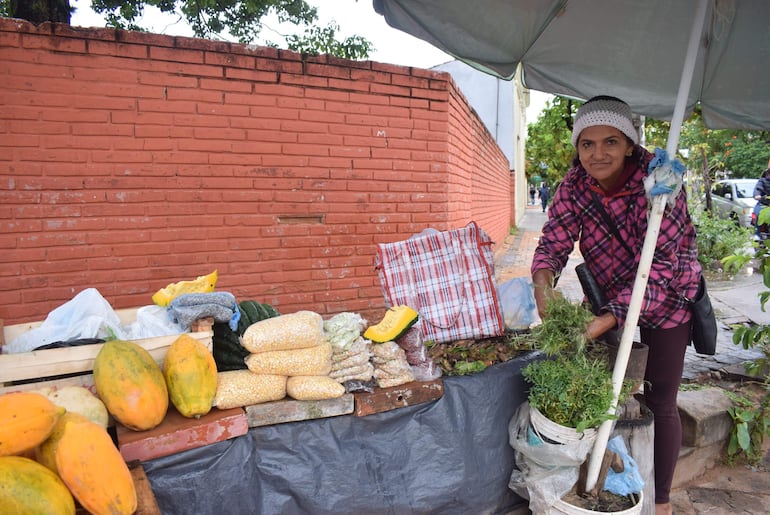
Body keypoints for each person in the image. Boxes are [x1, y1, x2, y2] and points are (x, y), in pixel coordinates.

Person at [531, 96, 701, 515]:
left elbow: (661, 268)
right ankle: (604, 476)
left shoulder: (661, 182)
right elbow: (554, 239)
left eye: (610, 141)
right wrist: (542, 284)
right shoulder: (574, 185)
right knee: (606, 393)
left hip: (666, 298)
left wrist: (601, 322)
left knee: (660, 399)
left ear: (629, 143)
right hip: (606, 296)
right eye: (586, 144)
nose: (597, 153)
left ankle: (661, 502)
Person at [752, 168, 770, 239]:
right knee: (759, 214)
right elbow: (758, 189)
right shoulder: (762, 181)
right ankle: (757, 236)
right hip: (763, 205)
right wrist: (757, 195)